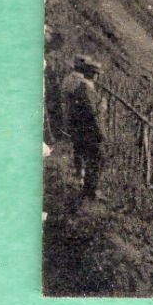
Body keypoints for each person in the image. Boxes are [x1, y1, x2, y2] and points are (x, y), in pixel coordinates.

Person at [60, 55, 106, 200]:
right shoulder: (86, 89)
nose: (98, 78)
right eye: (97, 74)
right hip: (89, 131)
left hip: (81, 129)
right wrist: (102, 107)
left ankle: (88, 188)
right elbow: (92, 114)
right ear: (93, 74)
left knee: (91, 157)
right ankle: (91, 191)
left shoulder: (82, 86)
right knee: (98, 157)